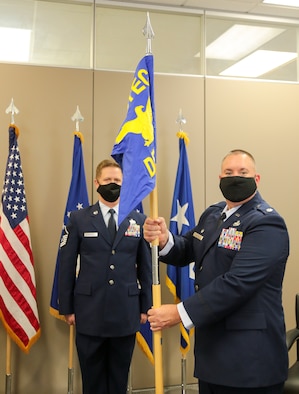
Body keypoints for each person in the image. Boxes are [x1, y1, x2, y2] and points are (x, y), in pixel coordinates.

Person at [144, 149, 289, 394]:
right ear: (219, 178)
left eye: (243, 173)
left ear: (257, 179)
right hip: (212, 354)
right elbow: (189, 248)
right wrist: (165, 238)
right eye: (229, 172)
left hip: (250, 361)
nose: (235, 178)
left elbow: (237, 283)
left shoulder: (267, 223)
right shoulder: (213, 214)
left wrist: (180, 312)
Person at [58, 159, 152, 394]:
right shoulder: (79, 219)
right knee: (93, 380)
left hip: (126, 311)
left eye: (118, 181)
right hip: (90, 311)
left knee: (119, 378)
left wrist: (146, 306)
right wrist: (67, 307)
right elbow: (66, 265)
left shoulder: (138, 220)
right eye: (108, 180)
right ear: (97, 183)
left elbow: (146, 267)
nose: (113, 185)